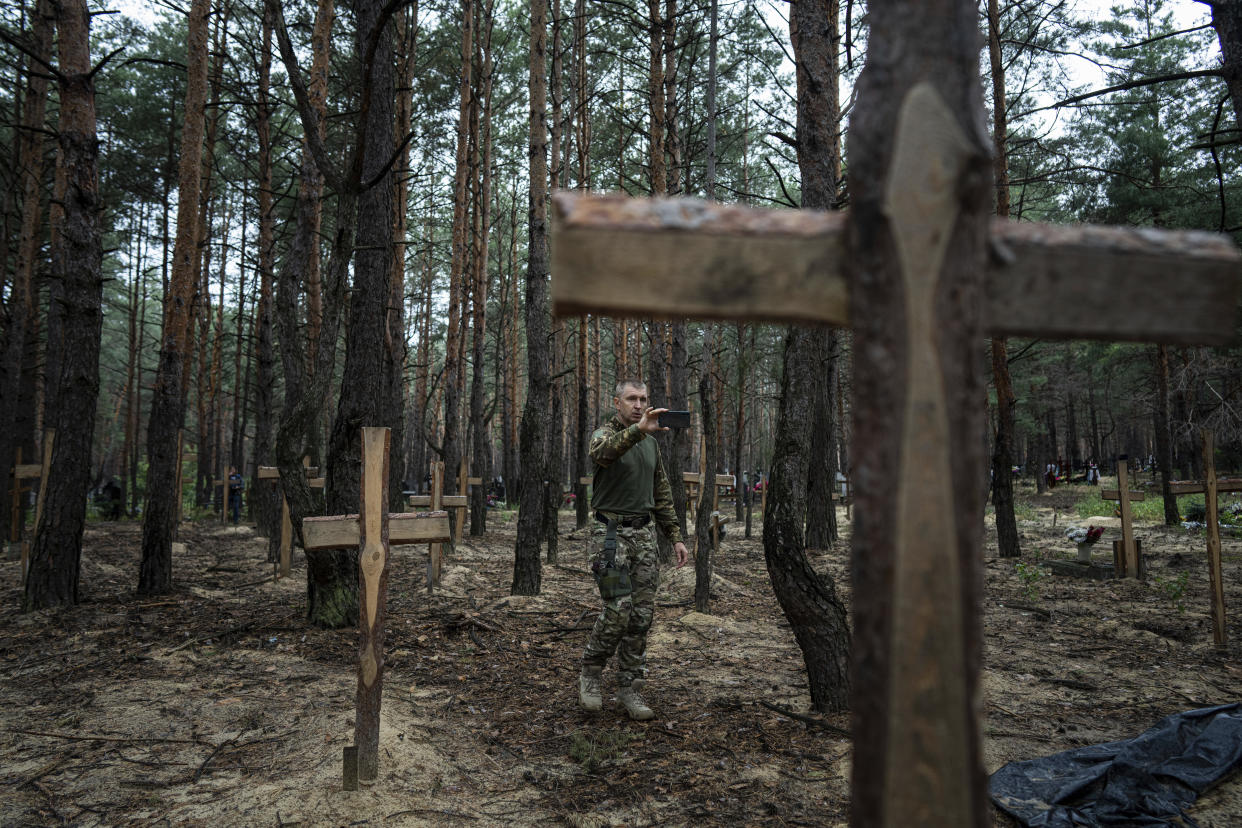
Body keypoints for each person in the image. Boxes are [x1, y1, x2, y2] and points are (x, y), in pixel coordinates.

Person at [579, 379, 688, 720]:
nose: (639, 404)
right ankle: (591, 674)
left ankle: (629, 688)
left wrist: (675, 536)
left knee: (641, 617)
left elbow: (662, 492)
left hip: (644, 536)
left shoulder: (651, 444)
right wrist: (639, 430)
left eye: (644, 399)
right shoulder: (604, 434)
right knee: (618, 610)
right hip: (609, 535)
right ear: (617, 403)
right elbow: (604, 454)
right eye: (632, 399)